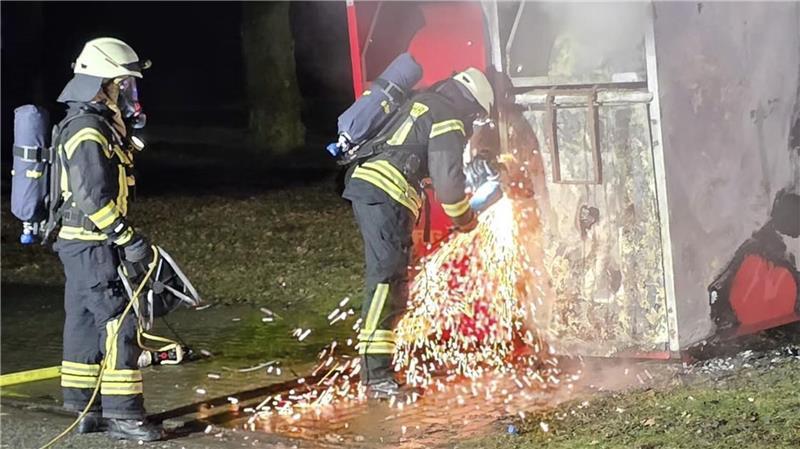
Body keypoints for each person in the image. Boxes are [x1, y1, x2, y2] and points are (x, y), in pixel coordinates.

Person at [342, 68, 494, 398]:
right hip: (387, 193)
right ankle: (376, 376)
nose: (473, 125)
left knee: (392, 277)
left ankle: (379, 368)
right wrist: (466, 221)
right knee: (385, 278)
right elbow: (450, 190)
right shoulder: (450, 118)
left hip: (370, 185)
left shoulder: (422, 102)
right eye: (477, 117)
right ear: (471, 106)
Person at [54, 37, 162, 441]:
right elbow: (90, 195)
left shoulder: (90, 124)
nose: (125, 92)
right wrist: (125, 236)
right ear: (102, 84)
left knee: (83, 322)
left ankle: (84, 408)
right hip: (94, 242)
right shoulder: (87, 129)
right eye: (120, 84)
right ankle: (124, 414)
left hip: (79, 243)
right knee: (120, 320)